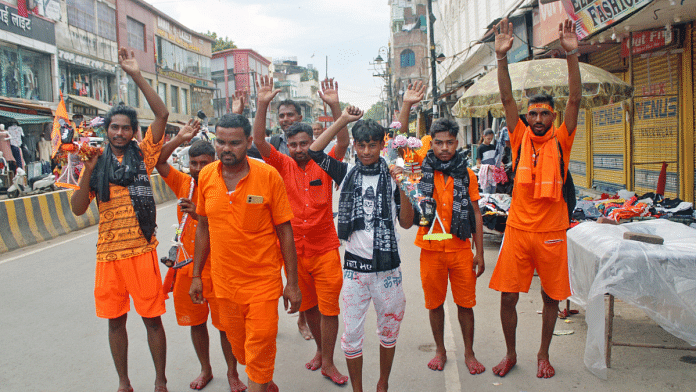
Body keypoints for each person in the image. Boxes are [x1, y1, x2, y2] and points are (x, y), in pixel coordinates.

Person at [70, 48, 169, 392]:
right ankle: (124, 383)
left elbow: (162, 112)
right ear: (107, 129)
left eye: (127, 128)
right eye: (114, 127)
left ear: (133, 132)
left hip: (141, 250)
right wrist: (89, 170)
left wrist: (136, 74)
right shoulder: (95, 161)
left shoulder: (144, 154)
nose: (120, 132)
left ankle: (160, 381)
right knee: (115, 323)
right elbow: (79, 208)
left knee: (152, 321)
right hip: (108, 254)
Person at [489, 18, 581, 379]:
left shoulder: (562, 139)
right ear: (526, 118)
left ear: (553, 116)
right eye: (533, 114)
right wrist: (500, 59)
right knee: (507, 297)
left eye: (544, 113)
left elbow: (575, 97)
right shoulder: (518, 137)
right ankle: (511, 353)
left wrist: (572, 54)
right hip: (518, 230)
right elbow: (507, 97)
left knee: (550, 298)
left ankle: (543, 354)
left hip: (553, 231)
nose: (538, 118)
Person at [189, 113, 302, 392]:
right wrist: (196, 276)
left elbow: (285, 231)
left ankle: (259, 382)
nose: (226, 149)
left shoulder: (267, 176)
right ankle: (262, 382)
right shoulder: (206, 176)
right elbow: (203, 227)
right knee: (242, 352)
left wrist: (293, 283)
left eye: (235, 143)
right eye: (221, 142)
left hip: (263, 283)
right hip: (224, 285)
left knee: (260, 343)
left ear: (249, 141)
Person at [309, 106, 415, 392]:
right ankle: (358, 389)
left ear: (382, 146)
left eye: (373, 145)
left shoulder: (395, 175)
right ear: (354, 146)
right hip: (355, 271)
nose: (367, 151)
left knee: (389, 331)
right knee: (351, 336)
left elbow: (406, 223)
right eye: (361, 145)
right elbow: (315, 152)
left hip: (388, 271)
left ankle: (383, 383)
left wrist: (402, 184)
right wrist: (342, 119)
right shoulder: (345, 173)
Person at [253, 76, 349, 385]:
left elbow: (343, 142)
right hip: (294, 252)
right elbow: (258, 143)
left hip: (325, 249)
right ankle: (321, 352)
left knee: (330, 309)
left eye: (304, 144)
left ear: (313, 143)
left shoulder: (326, 162)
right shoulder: (281, 164)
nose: (298, 149)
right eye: (293, 145)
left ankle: (329, 362)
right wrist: (263, 104)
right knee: (308, 308)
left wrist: (335, 105)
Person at [155, 121, 247, 391]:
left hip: (218, 267)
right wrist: (180, 137)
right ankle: (206, 369)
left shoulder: (224, 184)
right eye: (193, 163)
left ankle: (232, 372)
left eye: (204, 163)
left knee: (225, 325)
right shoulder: (183, 182)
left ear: (214, 161)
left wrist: (199, 213)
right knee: (196, 323)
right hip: (187, 269)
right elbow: (159, 162)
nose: (197, 169)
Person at [414, 118, 486, 375]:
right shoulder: (419, 173)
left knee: (466, 304)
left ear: (458, 143)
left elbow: (476, 212)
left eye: (450, 142)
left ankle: (469, 352)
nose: (444, 147)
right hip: (430, 248)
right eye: (438, 142)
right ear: (430, 143)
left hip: (460, 248)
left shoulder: (466, 174)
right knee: (434, 304)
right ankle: (440, 350)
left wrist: (480, 252)